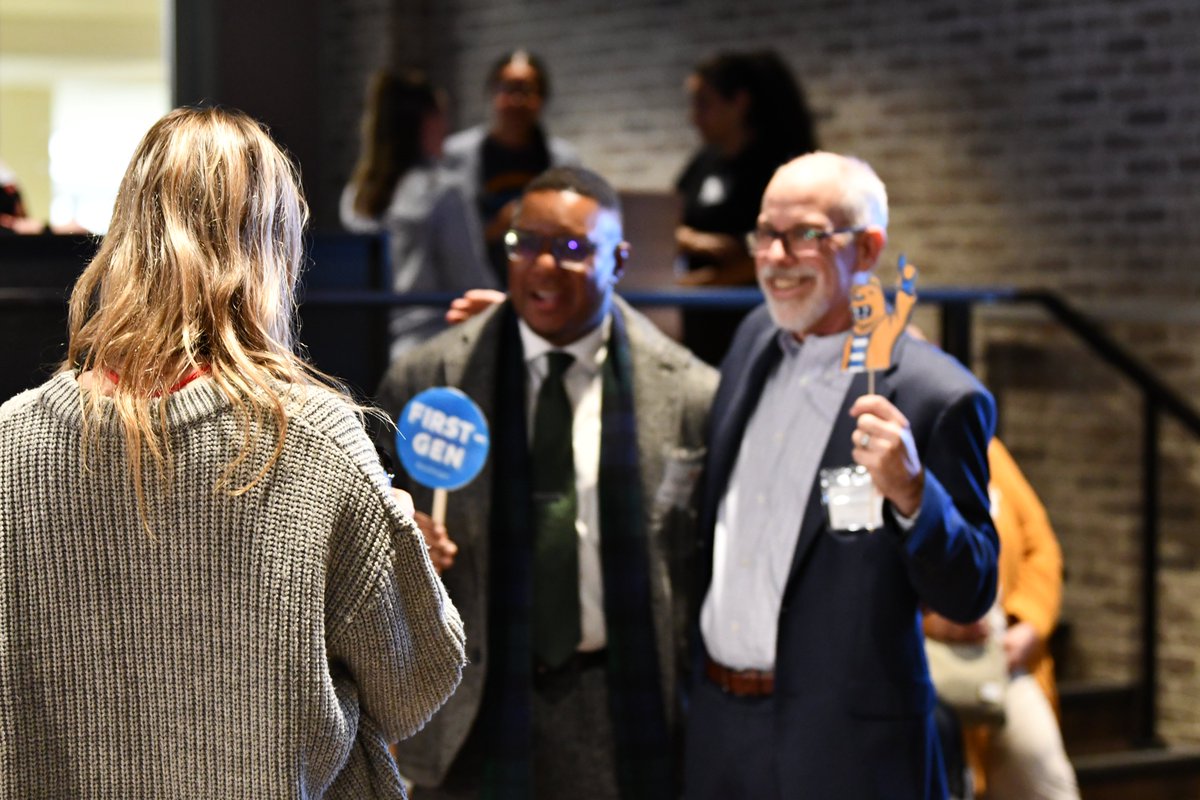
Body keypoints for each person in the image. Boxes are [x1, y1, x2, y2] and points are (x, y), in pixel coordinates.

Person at [0, 106, 466, 798]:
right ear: (273, 245)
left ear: (127, 230)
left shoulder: (12, 442)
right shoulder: (316, 441)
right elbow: (415, 685)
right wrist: (394, 523)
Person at [375, 165, 717, 799]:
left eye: (571, 248)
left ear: (618, 259)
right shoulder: (430, 382)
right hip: (474, 702)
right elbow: (365, 557)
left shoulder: (691, 393)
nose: (543, 265)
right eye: (524, 243)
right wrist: (406, 547)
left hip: (625, 700)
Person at [683, 151, 999, 800]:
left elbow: (972, 589)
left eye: (805, 235)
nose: (775, 256)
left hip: (847, 752)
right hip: (719, 727)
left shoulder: (936, 395)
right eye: (765, 233)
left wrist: (915, 493)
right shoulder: (752, 341)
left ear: (869, 247)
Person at [925, 438, 1079, 800]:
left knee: (1046, 775)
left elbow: (1041, 549)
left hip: (1004, 658)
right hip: (925, 663)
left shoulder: (989, 450)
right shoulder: (893, 453)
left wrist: (1029, 624)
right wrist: (934, 621)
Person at [341, 69, 498, 359]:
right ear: (425, 122)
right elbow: (470, 282)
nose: (447, 128)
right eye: (442, 115)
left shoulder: (356, 194)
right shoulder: (444, 190)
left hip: (364, 351)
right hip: (431, 347)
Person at [674, 50, 817, 366]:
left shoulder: (781, 169)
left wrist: (700, 284)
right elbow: (666, 218)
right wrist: (693, 240)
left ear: (739, 102)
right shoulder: (704, 163)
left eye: (703, 103)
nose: (693, 117)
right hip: (701, 326)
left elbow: (783, 248)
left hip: (761, 321)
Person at [441, 50, 581, 284]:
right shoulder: (456, 155)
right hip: (473, 284)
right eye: (508, 89)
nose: (517, 101)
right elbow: (445, 236)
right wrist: (496, 228)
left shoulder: (564, 160)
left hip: (543, 285)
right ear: (492, 94)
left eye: (526, 91)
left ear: (541, 98)